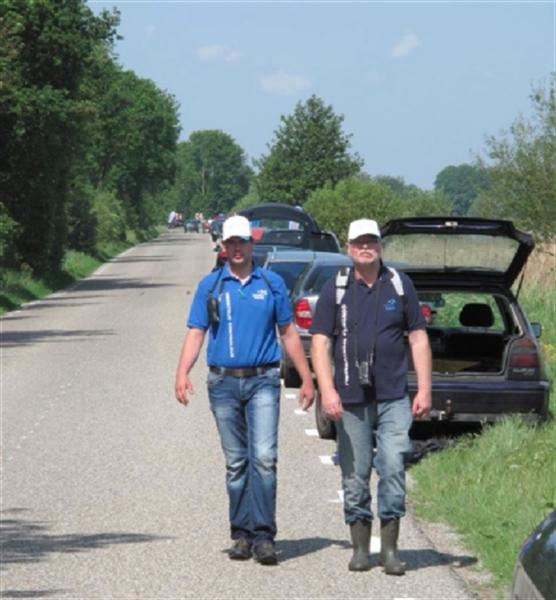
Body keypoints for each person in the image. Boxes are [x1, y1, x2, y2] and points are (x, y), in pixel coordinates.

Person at [175, 214, 315, 566]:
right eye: (231, 243)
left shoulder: (271, 283)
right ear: (223, 246)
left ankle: (264, 536)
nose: (237, 248)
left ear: (252, 244)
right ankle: (241, 534)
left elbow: (288, 332)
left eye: (242, 242)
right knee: (237, 462)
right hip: (223, 382)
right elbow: (196, 331)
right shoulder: (211, 285)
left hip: (263, 380)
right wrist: (182, 372)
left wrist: (306, 377)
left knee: (264, 458)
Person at [310, 218, 432, 575]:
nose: (366, 247)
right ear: (349, 248)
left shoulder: (399, 284)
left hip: (393, 396)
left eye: (372, 242)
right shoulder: (336, 286)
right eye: (359, 242)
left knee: (393, 465)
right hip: (350, 398)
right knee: (355, 474)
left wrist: (425, 388)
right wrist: (327, 390)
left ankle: (390, 550)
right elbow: (320, 342)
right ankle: (360, 548)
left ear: (380, 246)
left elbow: (418, 338)